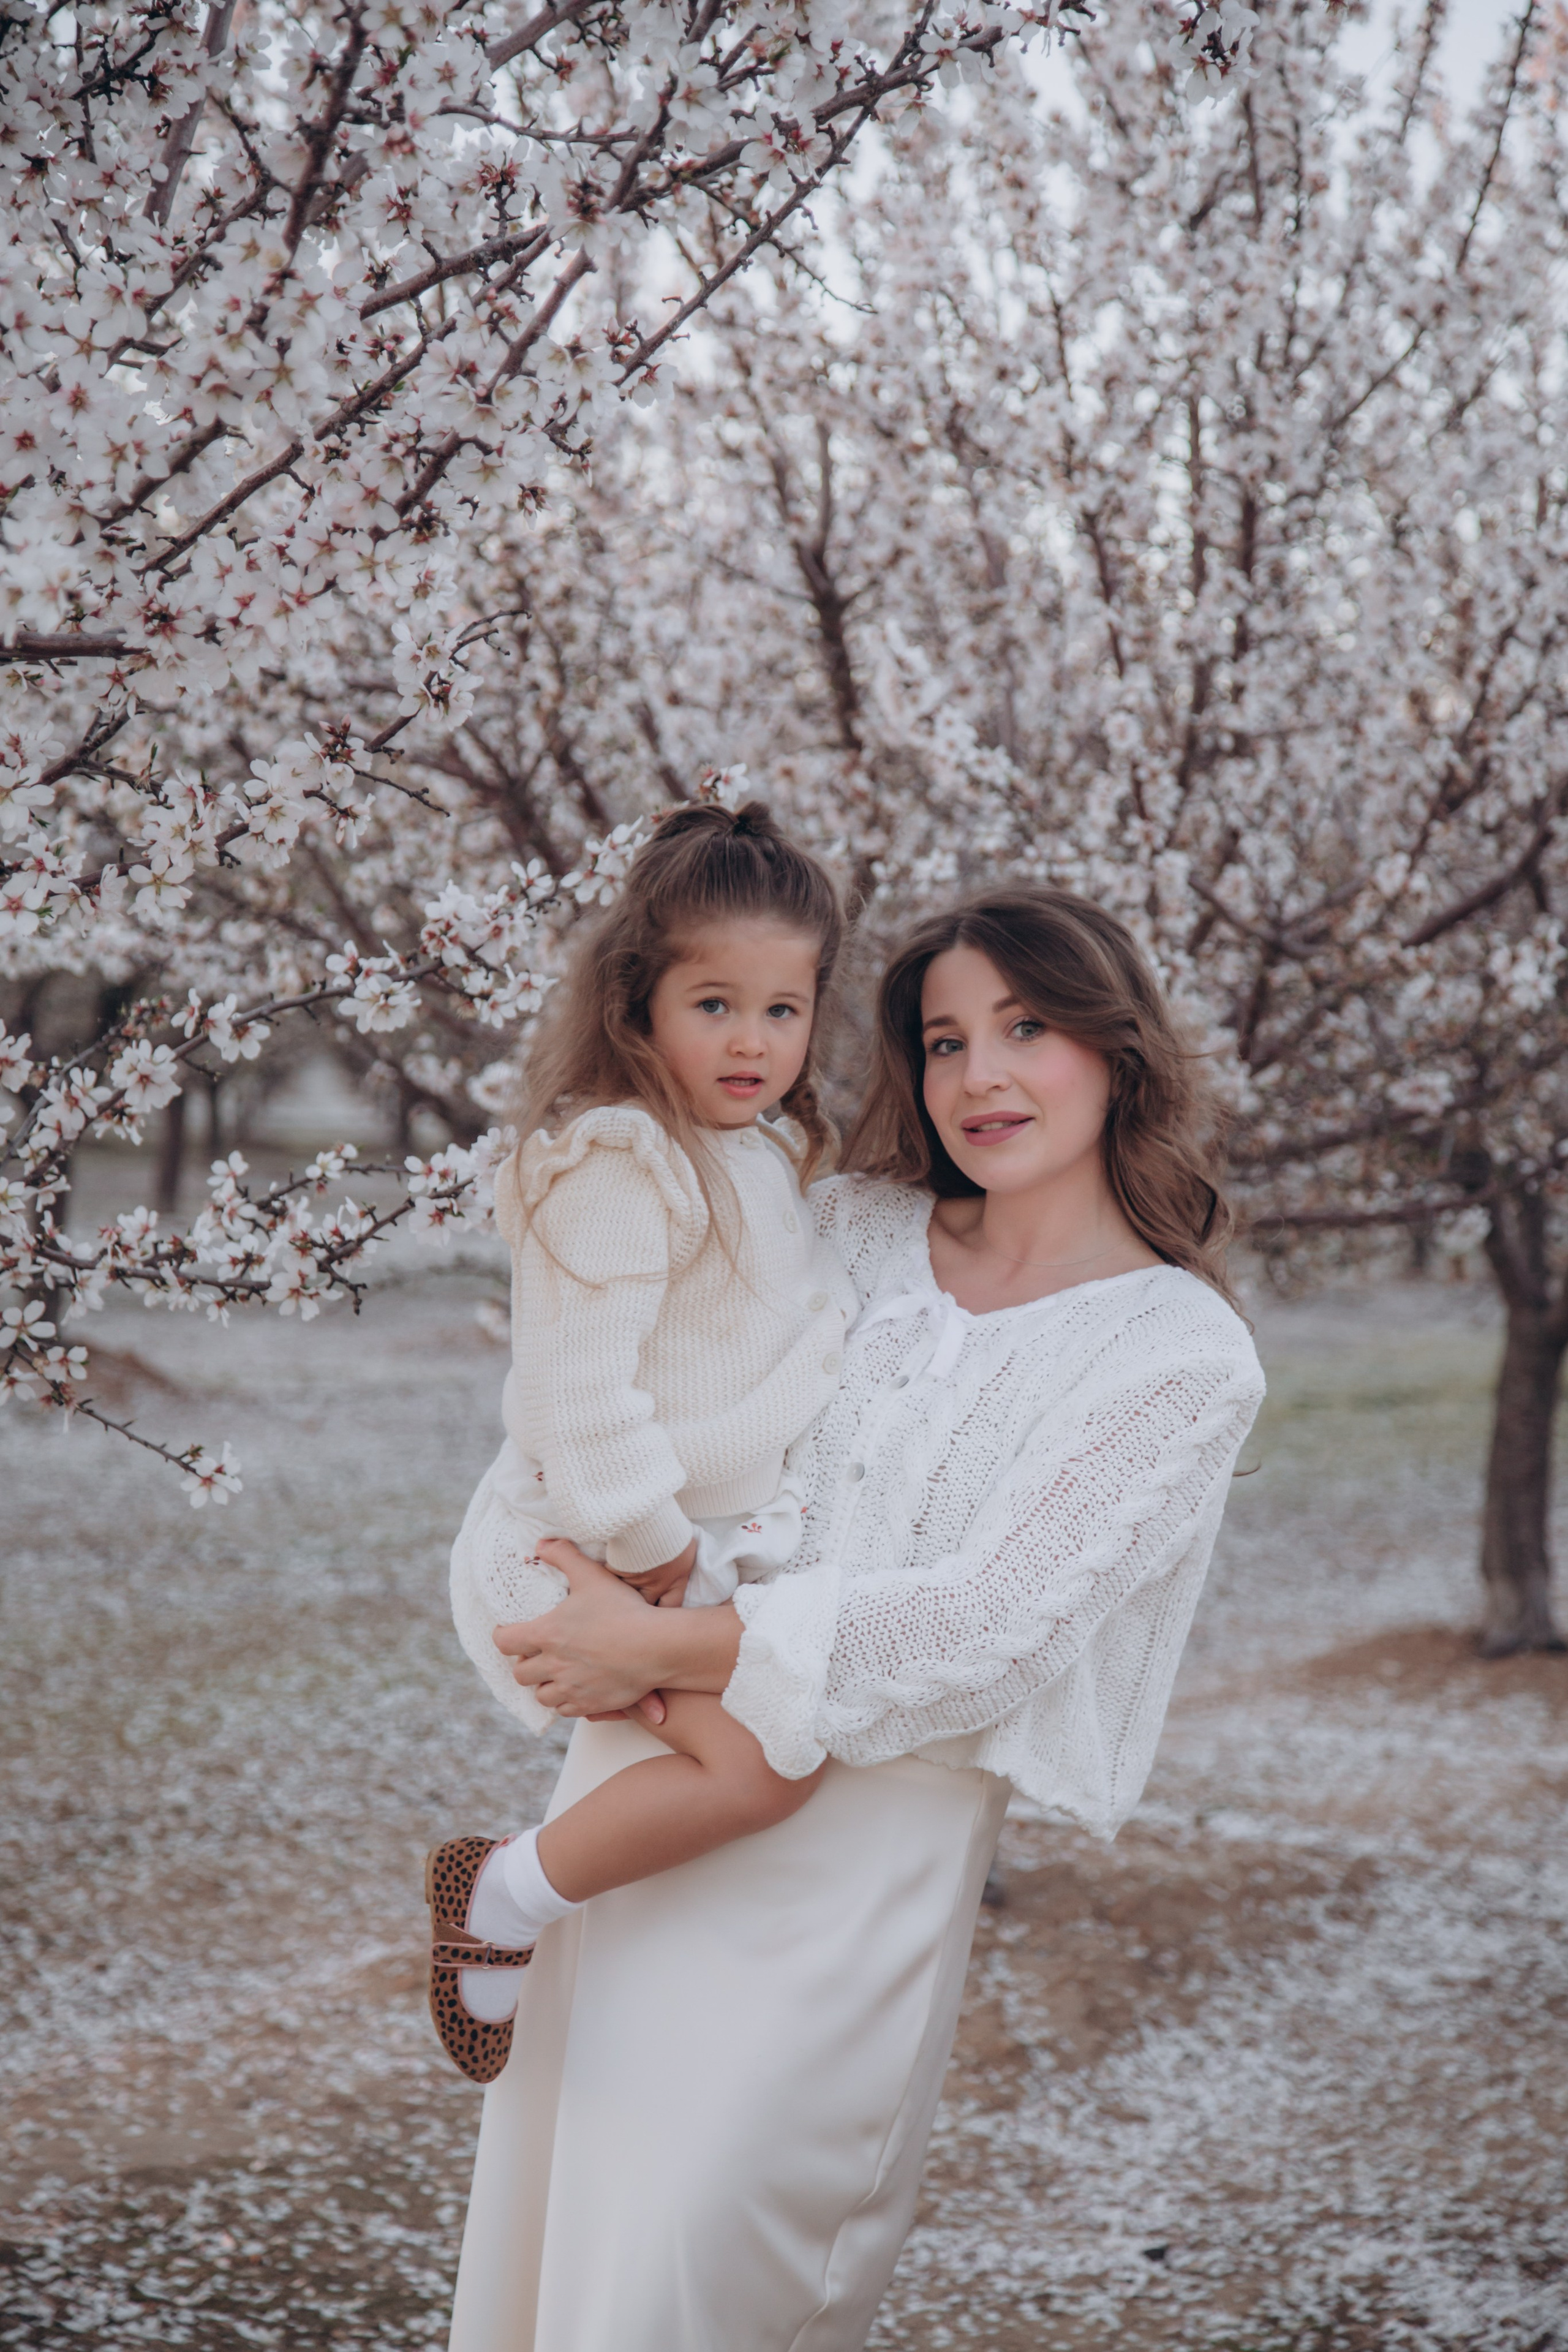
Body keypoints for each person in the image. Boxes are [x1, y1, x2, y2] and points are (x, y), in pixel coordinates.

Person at [447, 883, 1266, 2352]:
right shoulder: (841, 1225)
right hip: (648, 1792)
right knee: (564, 2247)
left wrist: (670, 1641)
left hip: (861, 1860)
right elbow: (623, 1378)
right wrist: (566, 1570)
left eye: (1026, 1030)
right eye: (943, 1041)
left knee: (702, 2281)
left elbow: (990, 1626)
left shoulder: (1178, 1354)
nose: (981, 1078)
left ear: (1118, 1049)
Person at [431, 801, 856, 2084]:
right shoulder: (621, 1162)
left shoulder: (764, 1153)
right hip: (583, 1551)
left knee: (790, 1746)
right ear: (638, 1003)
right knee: (770, 1765)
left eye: (782, 1011)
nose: (751, 1040)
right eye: (714, 1003)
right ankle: (498, 1896)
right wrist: (661, 1559)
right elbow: (579, 1400)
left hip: (671, 1554)